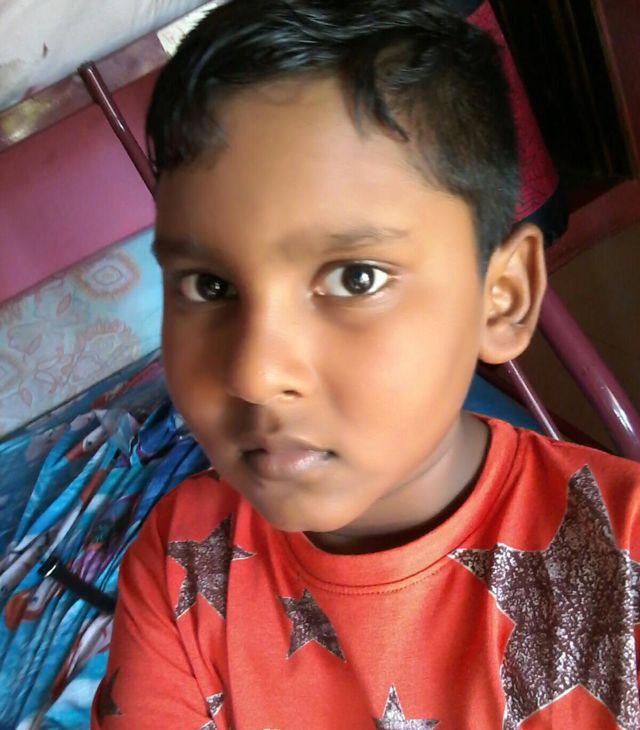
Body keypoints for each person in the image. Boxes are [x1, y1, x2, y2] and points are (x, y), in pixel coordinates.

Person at [91, 1, 640, 728]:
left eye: (356, 278)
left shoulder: (625, 562)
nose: (255, 374)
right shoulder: (180, 564)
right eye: (210, 287)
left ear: (501, 299)